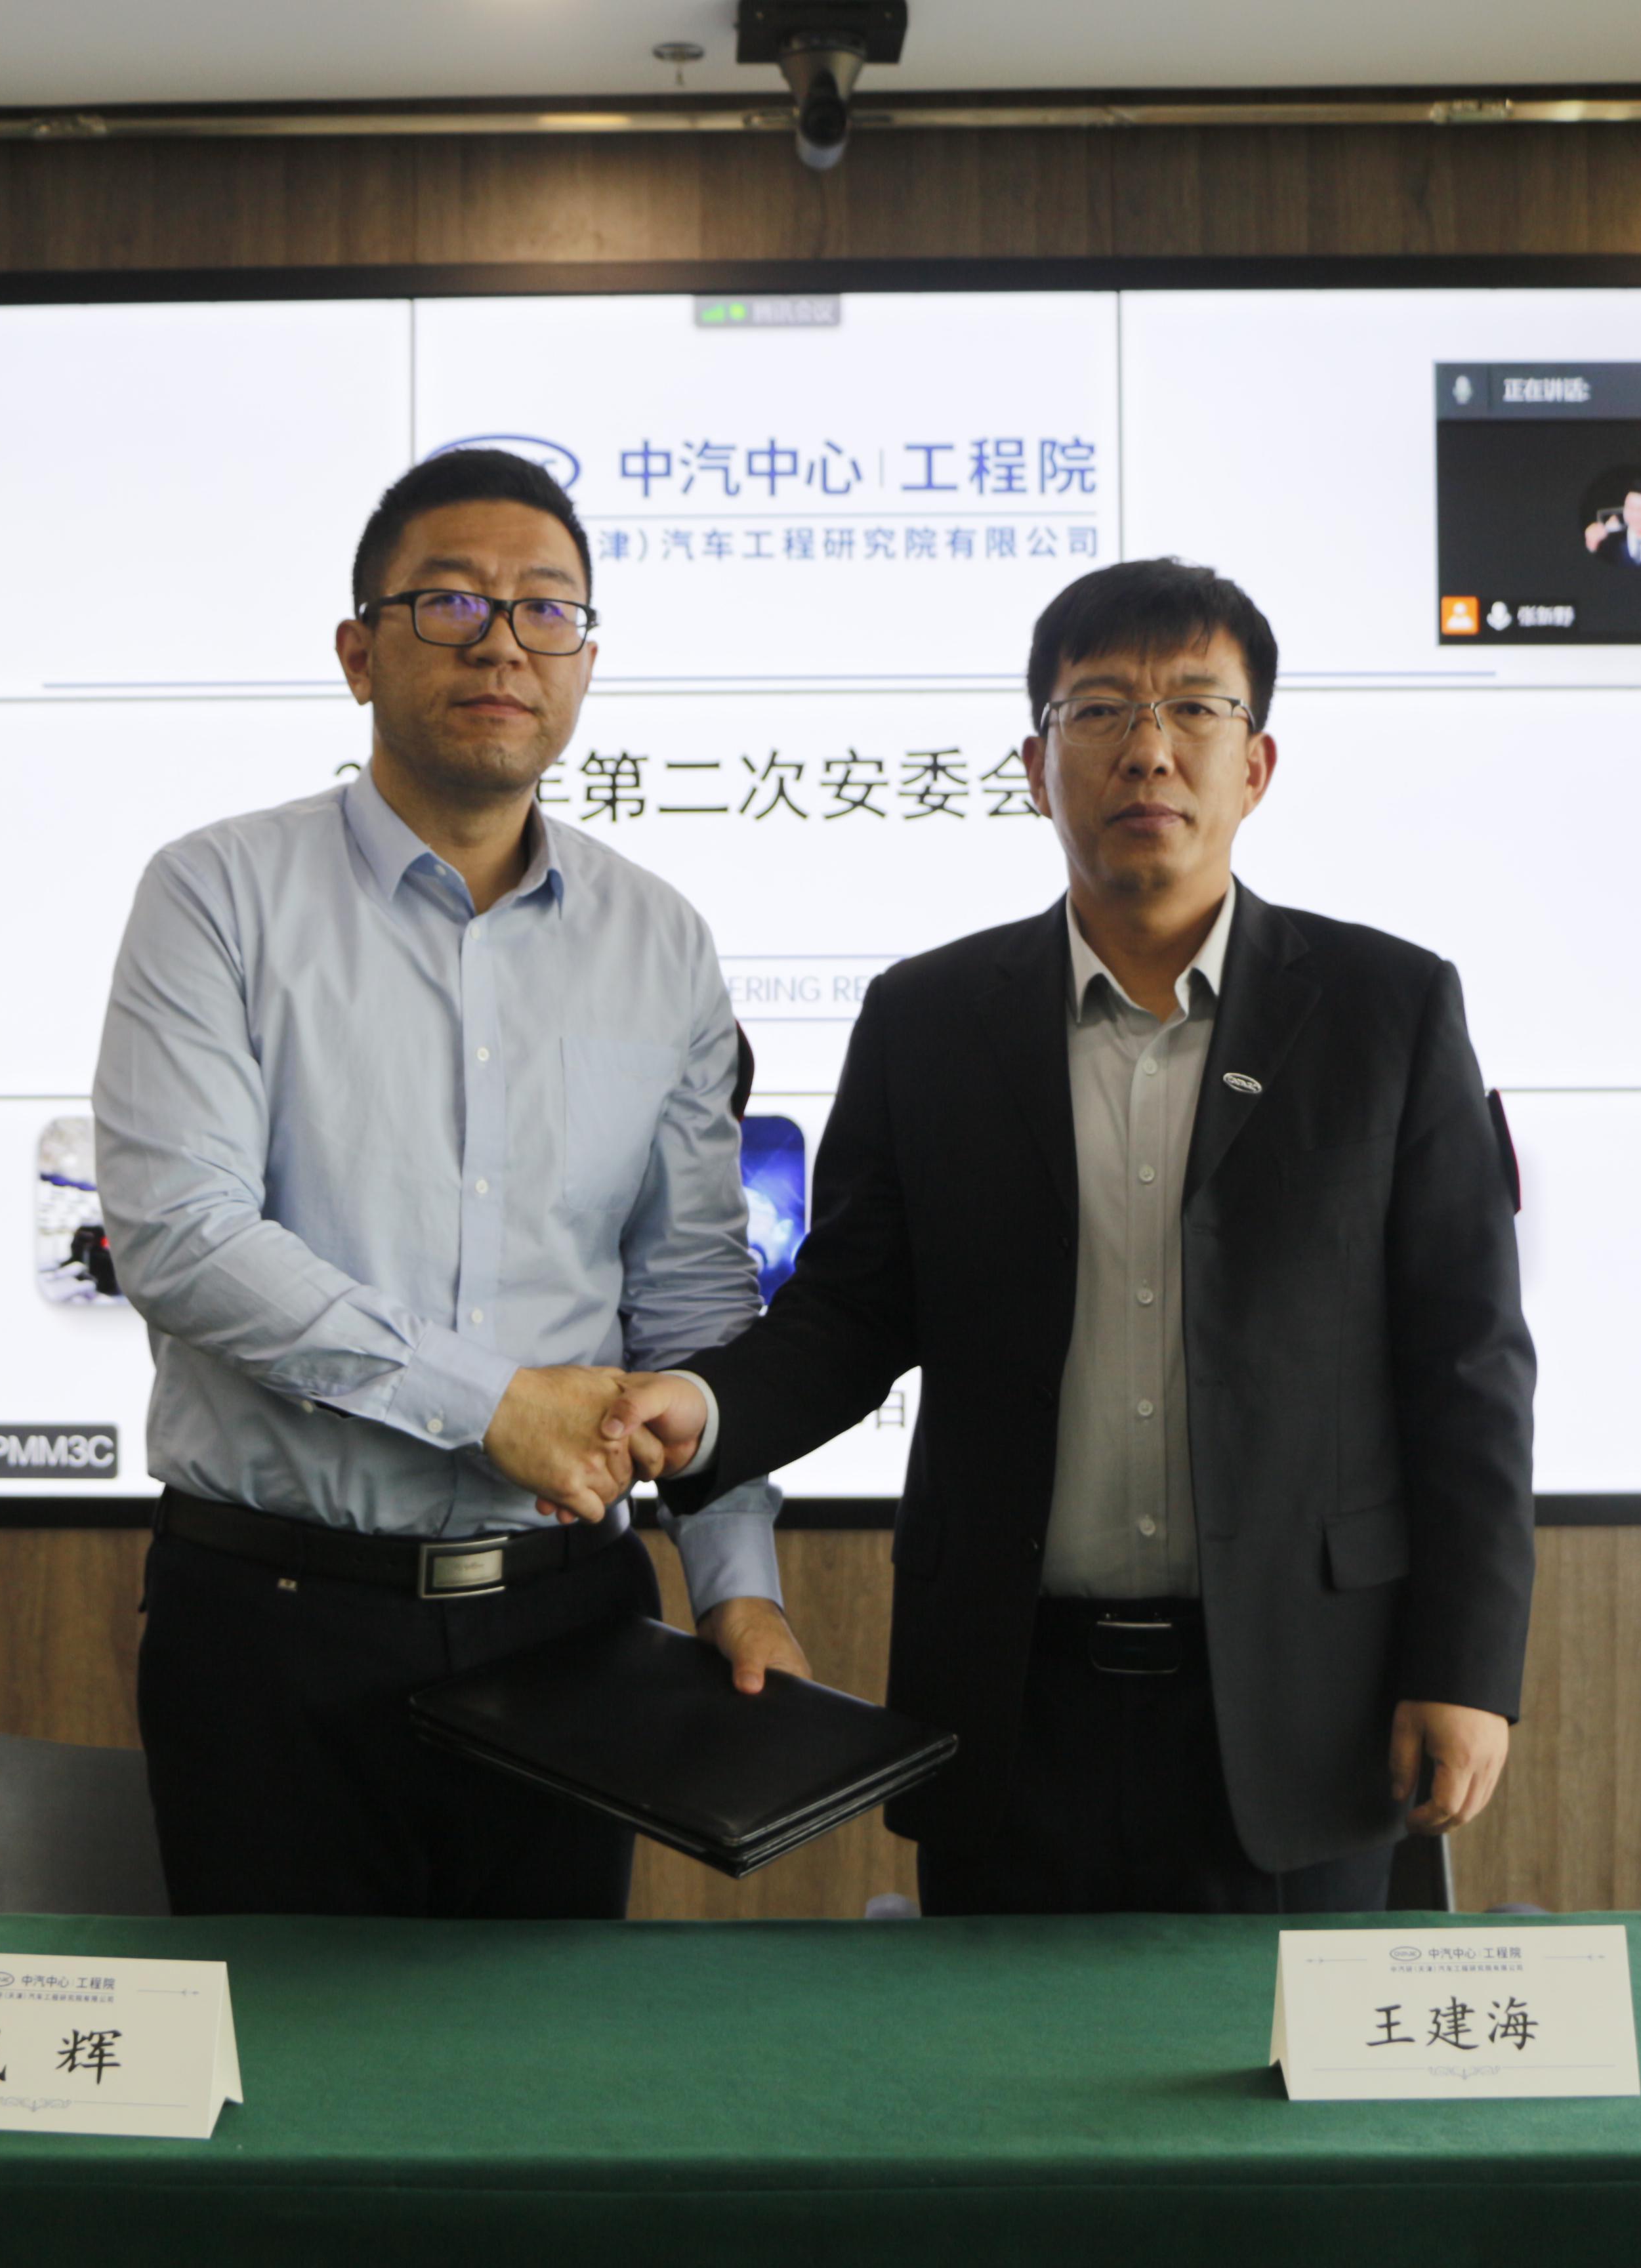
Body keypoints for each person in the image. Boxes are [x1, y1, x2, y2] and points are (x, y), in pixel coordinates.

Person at [610, 558, 1535, 1917]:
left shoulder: (1386, 1010)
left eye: (1194, 709)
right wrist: (698, 1409)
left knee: (1291, 2063)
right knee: (1004, 2058)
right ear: (1036, 768)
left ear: (1256, 764)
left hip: (1302, 1700)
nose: (1148, 749)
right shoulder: (929, 1020)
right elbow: (850, 1317)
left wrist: (1465, 1667)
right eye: (1099, 710)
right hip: (1011, 1706)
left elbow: (1467, 1364)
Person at [91, 446, 808, 1920]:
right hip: (273, 1626)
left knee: (544, 2054)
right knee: (284, 2054)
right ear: (359, 652)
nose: (502, 643)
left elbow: (690, 1295)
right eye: (453, 603)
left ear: (586, 661)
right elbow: (184, 1238)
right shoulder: (215, 894)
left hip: (568, 1631)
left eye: (547, 608)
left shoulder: (659, 939)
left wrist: (739, 1581)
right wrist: (493, 1403)